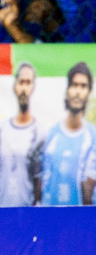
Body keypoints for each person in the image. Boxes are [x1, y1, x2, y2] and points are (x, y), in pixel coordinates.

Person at [34, 62, 96, 206]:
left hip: (82, 224)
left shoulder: (93, 139)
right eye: (74, 85)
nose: (78, 91)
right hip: (50, 222)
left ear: (88, 93)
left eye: (83, 86)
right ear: (67, 90)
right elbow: (39, 186)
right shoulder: (49, 136)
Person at [0, 62, 44, 207]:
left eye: (28, 83)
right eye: (21, 82)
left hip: (27, 214)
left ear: (33, 87)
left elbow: (39, 179)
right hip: (2, 212)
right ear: (15, 86)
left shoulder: (38, 133)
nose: (24, 88)